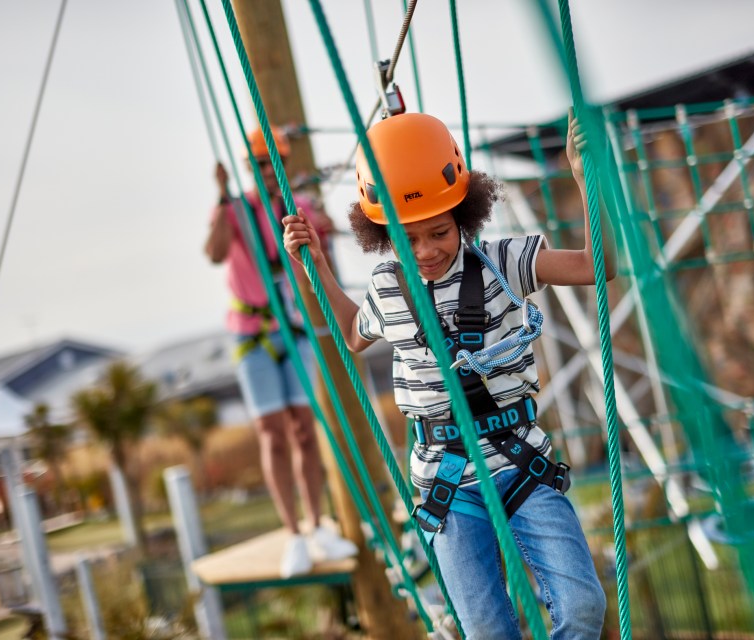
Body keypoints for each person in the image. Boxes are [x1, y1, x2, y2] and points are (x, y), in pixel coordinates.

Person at [283, 112, 611, 639]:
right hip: (445, 477)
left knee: (582, 605)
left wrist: (583, 177)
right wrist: (315, 265)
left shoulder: (505, 262)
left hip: (519, 456)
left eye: (439, 232)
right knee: (484, 628)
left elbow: (599, 265)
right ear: (383, 236)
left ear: (463, 215)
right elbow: (350, 333)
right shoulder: (387, 287)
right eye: (408, 239)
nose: (427, 250)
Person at [205, 125, 356, 578]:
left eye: (274, 164)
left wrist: (322, 225)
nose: (268, 172)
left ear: (284, 167)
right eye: (259, 165)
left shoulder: (297, 208)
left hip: (292, 328)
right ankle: (293, 534)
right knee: (271, 431)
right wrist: (220, 197)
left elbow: (321, 246)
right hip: (252, 331)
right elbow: (214, 253)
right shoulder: (234, 211)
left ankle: (316, 525)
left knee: (304, 432)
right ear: (250, 169)